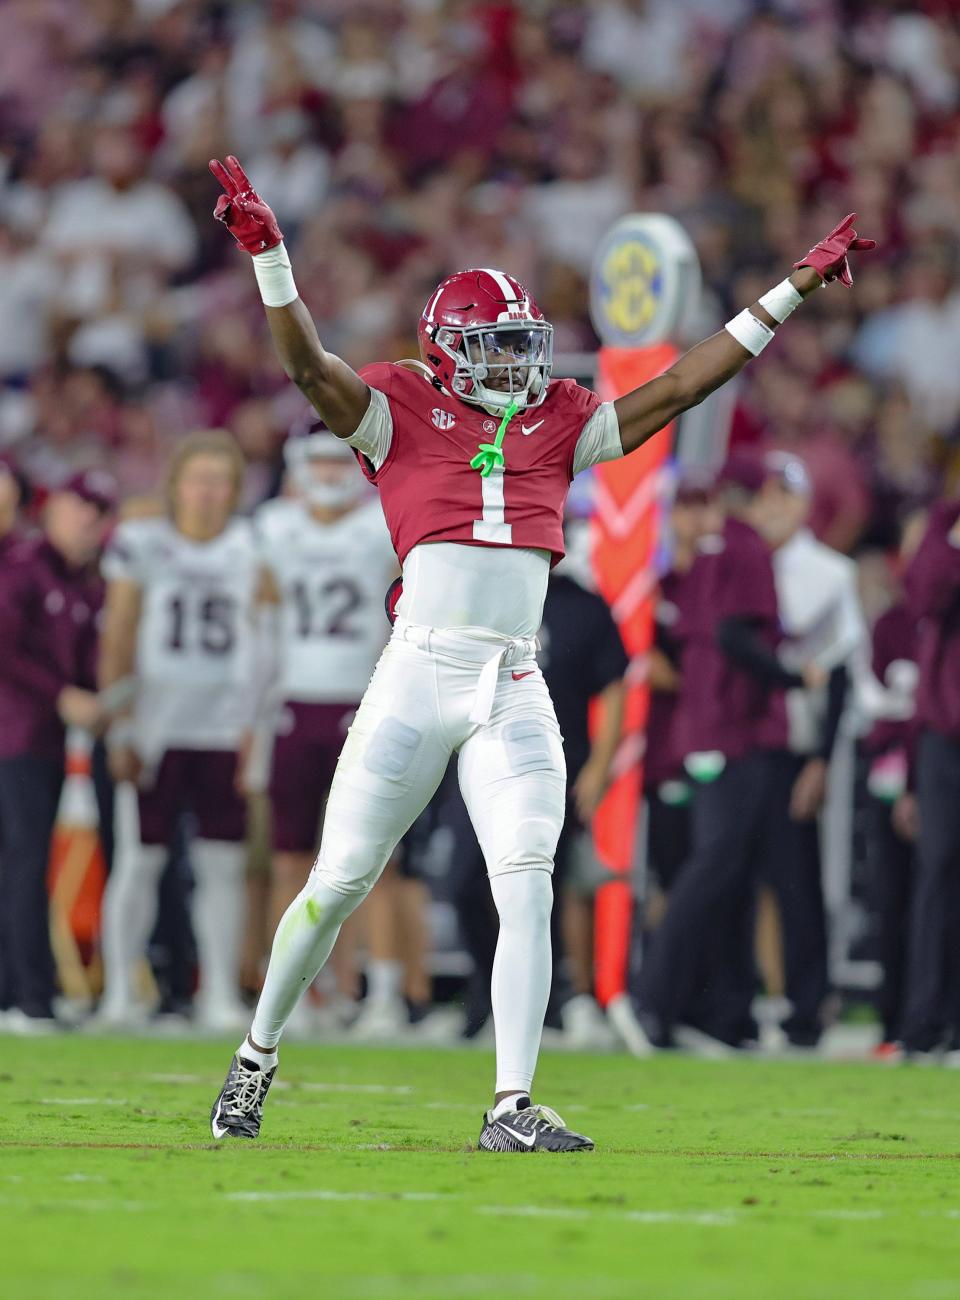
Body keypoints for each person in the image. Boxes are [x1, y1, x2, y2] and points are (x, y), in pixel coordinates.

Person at [206, 153, 873, 1150]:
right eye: (494, 348)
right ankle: (256, 1056)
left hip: (514, 675)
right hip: (419, 669)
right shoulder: (396, 410)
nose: (516, 366)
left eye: (522, 346)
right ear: (444, 352)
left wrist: (788, 289)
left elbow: (686, 382)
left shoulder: (559, 422)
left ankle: (511, 1102)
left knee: (529, 874)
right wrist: (273, 260)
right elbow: (309, 368)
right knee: (342, 876)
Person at [637, 455, 828, 1049]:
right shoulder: (745, 547)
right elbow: (732, 636)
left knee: (734, 873)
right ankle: (652, 1000)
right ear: (756, 498)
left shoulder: (713, 555)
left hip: (707, 731)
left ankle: (728, 1013)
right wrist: (793, 678)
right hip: (735, 733)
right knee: (714, 870)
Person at [97, 431, 260, 1031]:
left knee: (222, 864)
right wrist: (118, 726)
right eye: (198, 479)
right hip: (155, 727)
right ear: (175, 485)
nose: (208, 493)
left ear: (236, 491)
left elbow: (268, 637)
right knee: (139, 860)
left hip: (224, 726)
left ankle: (217, 992)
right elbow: (118, 633)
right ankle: (120, 992)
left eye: (221, 481)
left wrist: (257, 726)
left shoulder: (253, 544)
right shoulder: (143, 543)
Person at [250, 418, 397, 1033]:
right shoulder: (272, 529)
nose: (332, 475)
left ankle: (378, 993)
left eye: (342, 462)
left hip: (365, 703)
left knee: (370, 860)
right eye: (322, 462)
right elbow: (258, 626)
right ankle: (295, 996)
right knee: (288, 859)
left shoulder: (383, 524)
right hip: (292, 704)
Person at [759, 452, 868, 1048]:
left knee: (797, 883)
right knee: (741, 874)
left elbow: (843, 673)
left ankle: (807, 1005)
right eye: (766, 495)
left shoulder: (829, 572)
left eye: (784, 495)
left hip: (800, 745)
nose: (773, 507)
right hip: (747, 741)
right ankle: (741, 1002)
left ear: (803, 503)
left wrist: (823, 760)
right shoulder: (739, 562)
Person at [0, 470, 115, 1031]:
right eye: (79, 509)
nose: (87, 523)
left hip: (40, 740)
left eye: (97, 514)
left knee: (27, 862)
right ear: (52, 509)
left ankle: (21, 990)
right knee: (23, 863)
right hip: (14, 736)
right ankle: (28, 996)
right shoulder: (24, 568)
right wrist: (64, 694)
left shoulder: (83, 582)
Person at [861, 512, 926, 1054]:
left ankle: (931, 1020)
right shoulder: (891, 626)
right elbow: (881, 713)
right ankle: (896, 1023)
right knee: (894, 902)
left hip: (933, 773)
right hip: (897, 778)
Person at [899, 500, 960, 1059]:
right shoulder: (944, 525)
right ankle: (925, 1023)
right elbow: (923, 597)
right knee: (938, 871)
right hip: (945, 735)